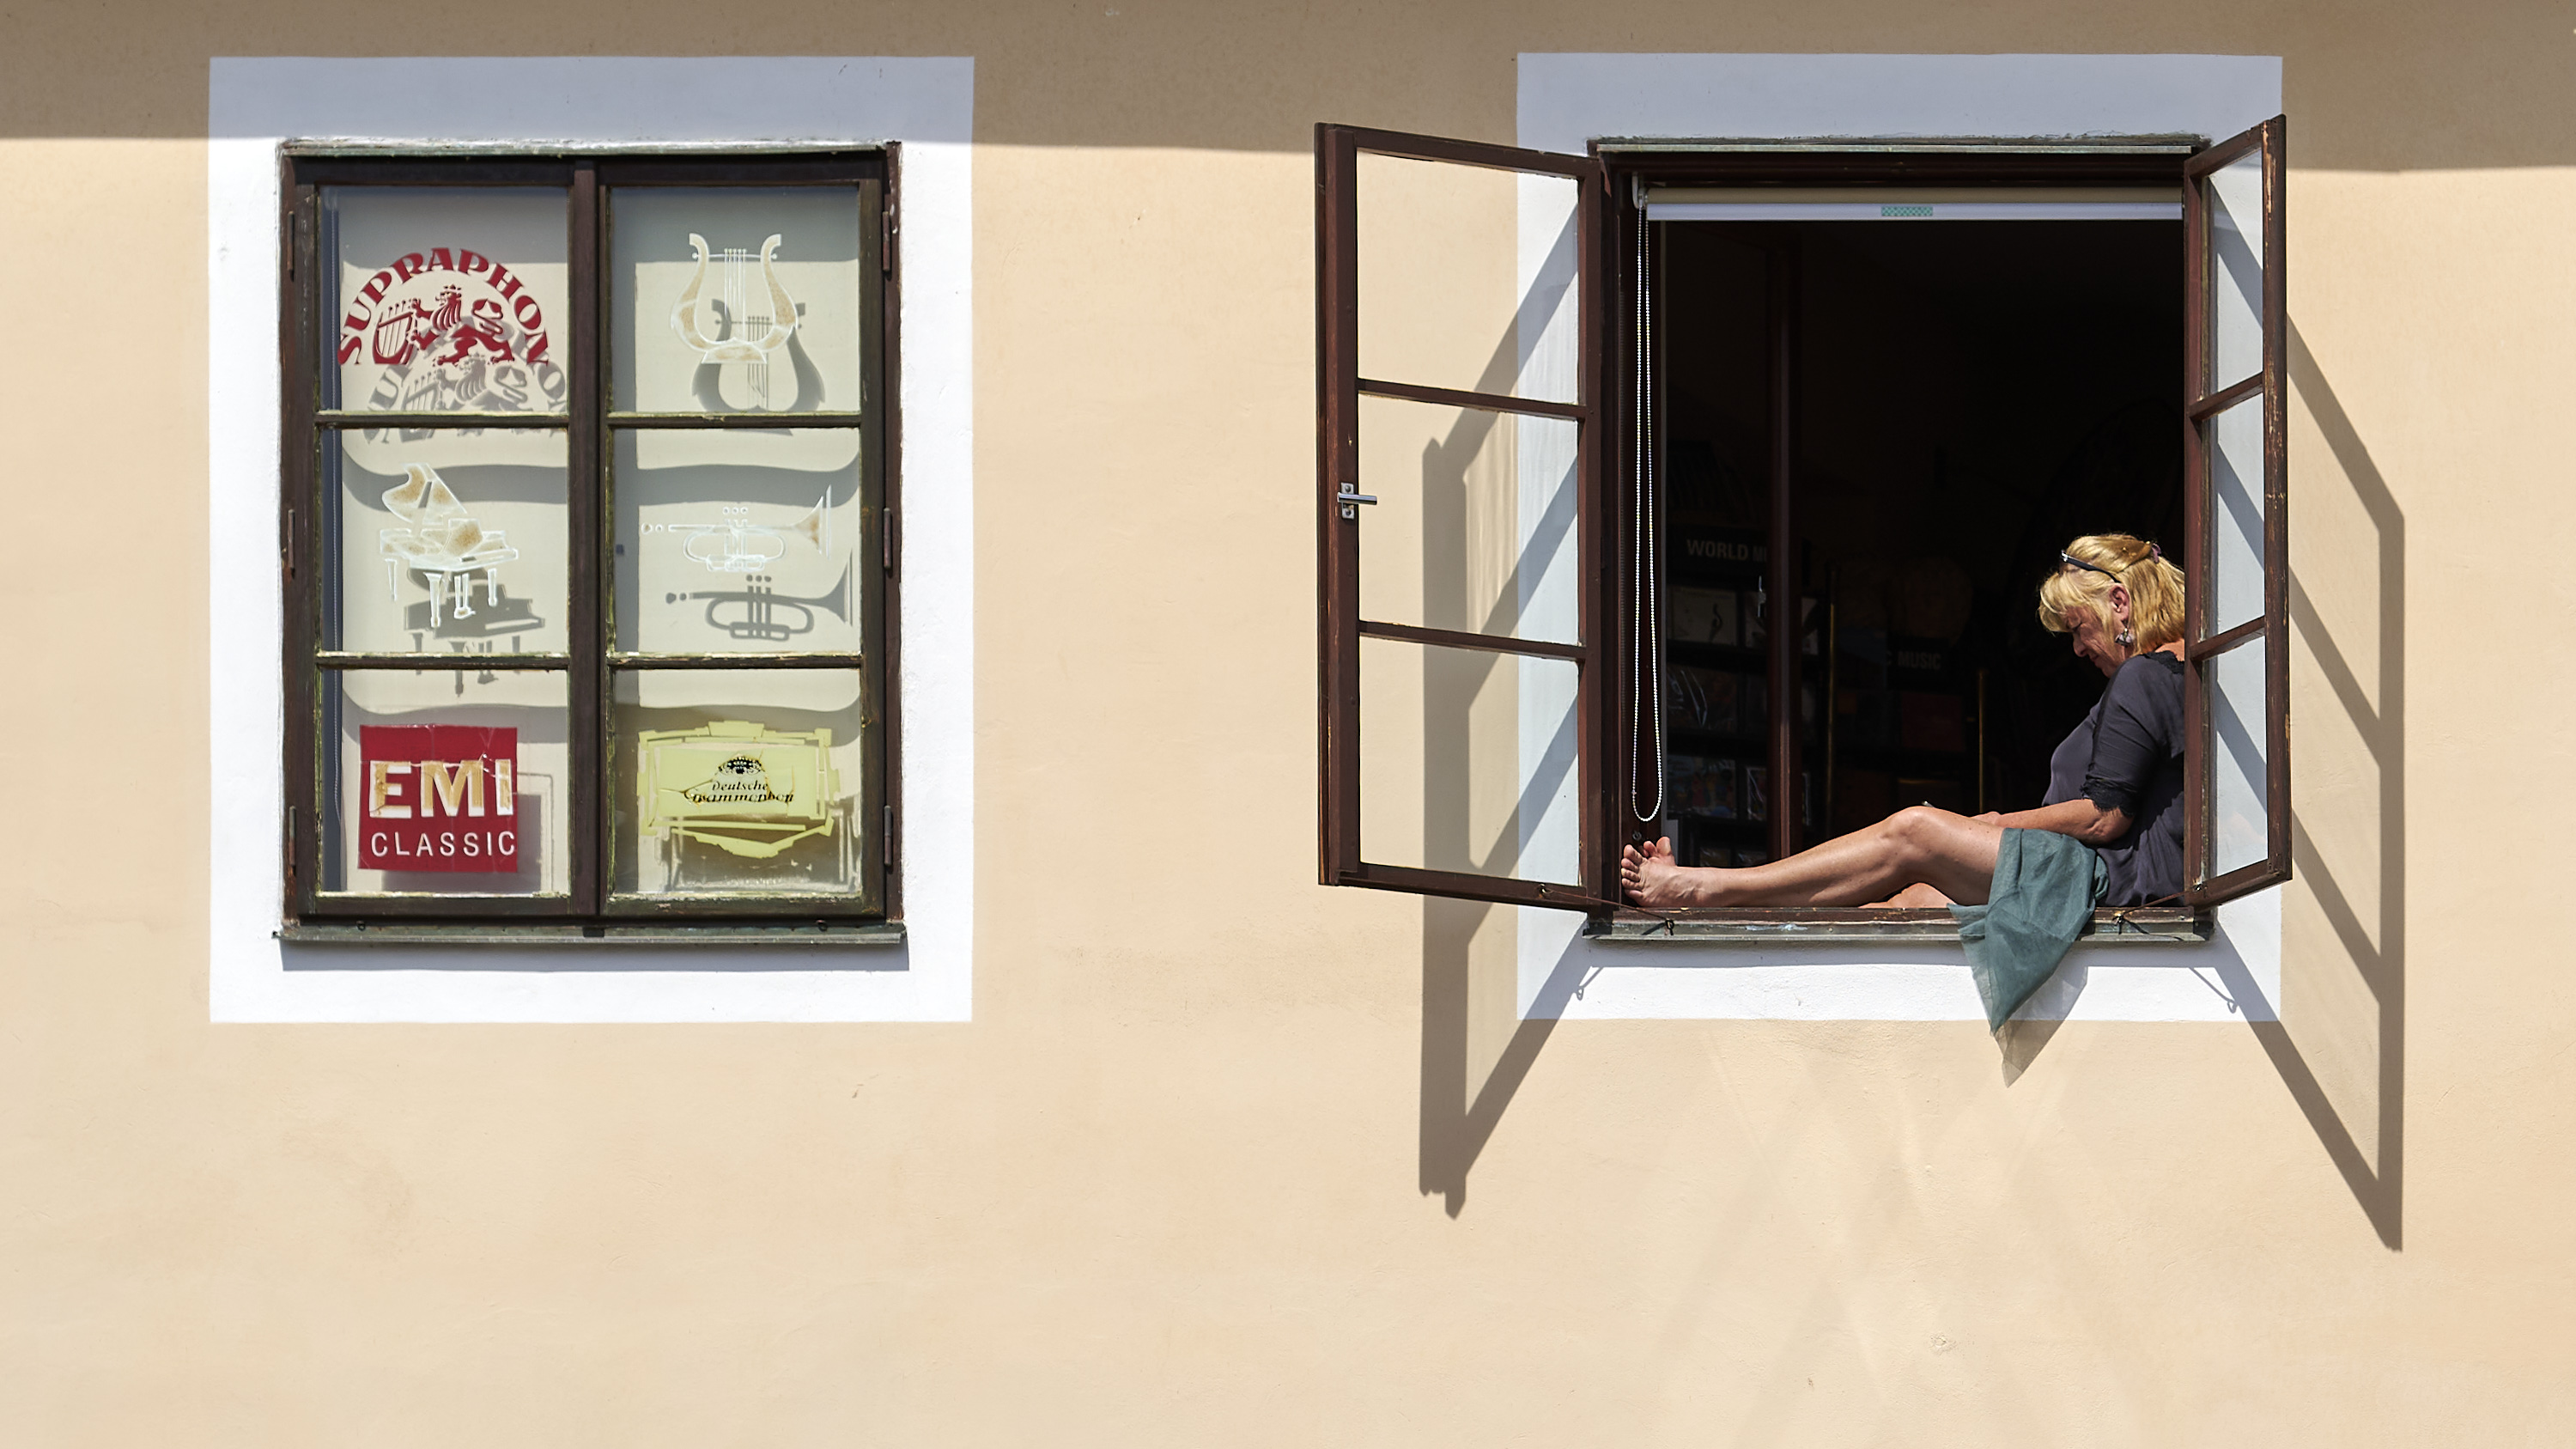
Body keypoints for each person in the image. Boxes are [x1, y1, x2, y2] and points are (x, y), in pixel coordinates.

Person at [1620, 533, 2188, 911]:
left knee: (1915, 829)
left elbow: (2104, 815)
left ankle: (1707, 887)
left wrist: (1991, 823)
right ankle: (1732, 915)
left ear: (2119, 602)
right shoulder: (2182, 673)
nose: (2078, 648)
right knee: (1907, 904)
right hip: (2097, 873)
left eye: (2078, 627)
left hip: (2109, 876)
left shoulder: (2143, 674)